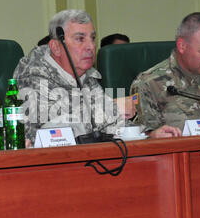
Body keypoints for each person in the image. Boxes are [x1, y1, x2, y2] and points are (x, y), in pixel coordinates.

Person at [13, 9, 180, 144]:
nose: (90, 46)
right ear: (56, 47)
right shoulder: (32, 74)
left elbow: (113, 125)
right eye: (80, 39)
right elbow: (43, 130)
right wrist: (109, 109)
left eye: (92, 38)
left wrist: (148, 134)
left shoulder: (87, 76)